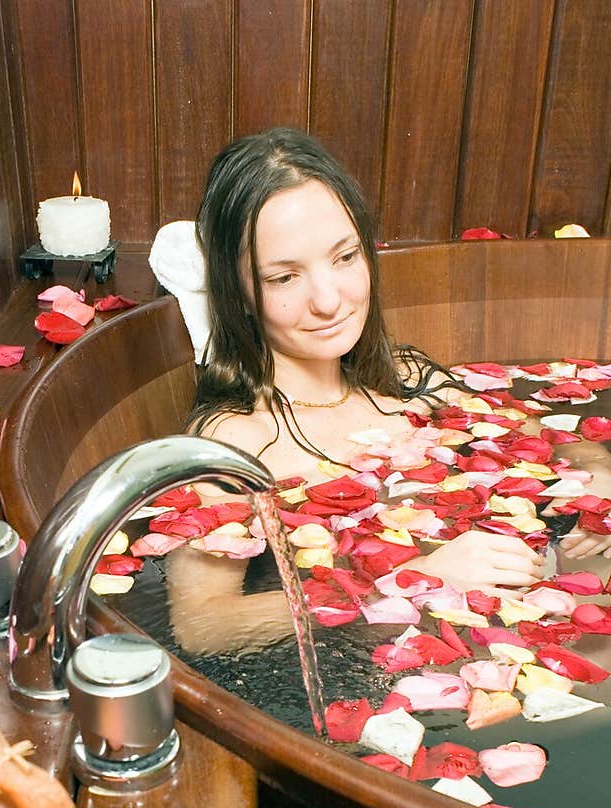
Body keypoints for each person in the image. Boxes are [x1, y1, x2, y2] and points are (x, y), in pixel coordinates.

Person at [161, 127, 549, 655]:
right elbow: (203, 628)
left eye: (344, 258)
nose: (329, 300)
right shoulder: (235, 443)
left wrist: (594, 464)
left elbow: (531, 435)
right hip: (386, 678)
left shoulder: (408, 376)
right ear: (240, 293)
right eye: (284, 278)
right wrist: (415, 580)